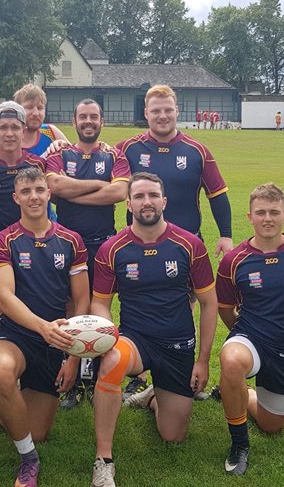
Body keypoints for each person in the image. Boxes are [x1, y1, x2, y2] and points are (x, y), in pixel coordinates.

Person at [0, 167, 89, 487]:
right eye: (26, 192)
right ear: (16, 198)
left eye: (39, 189)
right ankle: (28, 459)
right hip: (15, 333)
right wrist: (42, 327)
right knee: (0, 370)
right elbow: (4, 297)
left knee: (36, 429)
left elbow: (81, 302)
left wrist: (74, 357)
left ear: (49, 192)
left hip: (56, 341)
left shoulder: (71, 240)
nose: (34, 196)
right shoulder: (3, 240)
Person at [87, 172, 218, 487]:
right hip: (135, 339)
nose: (147, 202)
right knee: (113, 361)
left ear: (164, 201)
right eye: (140, 197)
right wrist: (107, 334)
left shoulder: (190, 244)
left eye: (153, 195)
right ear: (129, 204)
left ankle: (152, 396)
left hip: (178, 343)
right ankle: (103, 460)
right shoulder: (112, 248)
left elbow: (209, 304)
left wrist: (202, 360)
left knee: (173, 436)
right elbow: (99, 303)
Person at [215, 182, 284, 475]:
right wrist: (241, 333)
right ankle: (239, 443)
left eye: (274, 212)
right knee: (231, 360)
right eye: (260, 212)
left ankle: (235, 391)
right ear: (249, 217)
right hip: (248, 337)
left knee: (272, 426)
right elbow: (225, 309)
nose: (268, 218)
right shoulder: (233, 260)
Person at [45, 99, 131, 408]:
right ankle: (71, 378)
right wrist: (97, 185)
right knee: (69, 310)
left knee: (98, 311)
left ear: (102, 121)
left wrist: (75, 189)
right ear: (74, 121)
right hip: (64, 244)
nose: (88, 121)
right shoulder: (60, 153)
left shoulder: (113, 155)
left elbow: (119, 192)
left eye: (94, 117)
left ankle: (93, 378)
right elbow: (54, 187)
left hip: (102, 245)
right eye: (83, 117)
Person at [114, 84, 234, 258]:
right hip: (137, 246)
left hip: (187, 245)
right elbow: (99, 170)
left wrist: (226, 235)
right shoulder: (126, 149)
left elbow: (217, 195)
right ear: (146, 113)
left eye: (168, 110)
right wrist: (60, 142)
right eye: (156, 111)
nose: (163, 116)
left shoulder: (198, 151)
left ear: (177, 111)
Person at [0, 102, 48, 355]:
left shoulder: (38, 165)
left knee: (31, 313)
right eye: (3, 127)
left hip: (31, 250)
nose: (9, 133)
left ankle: (31, 370)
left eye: (14, 127)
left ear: (23, 130)